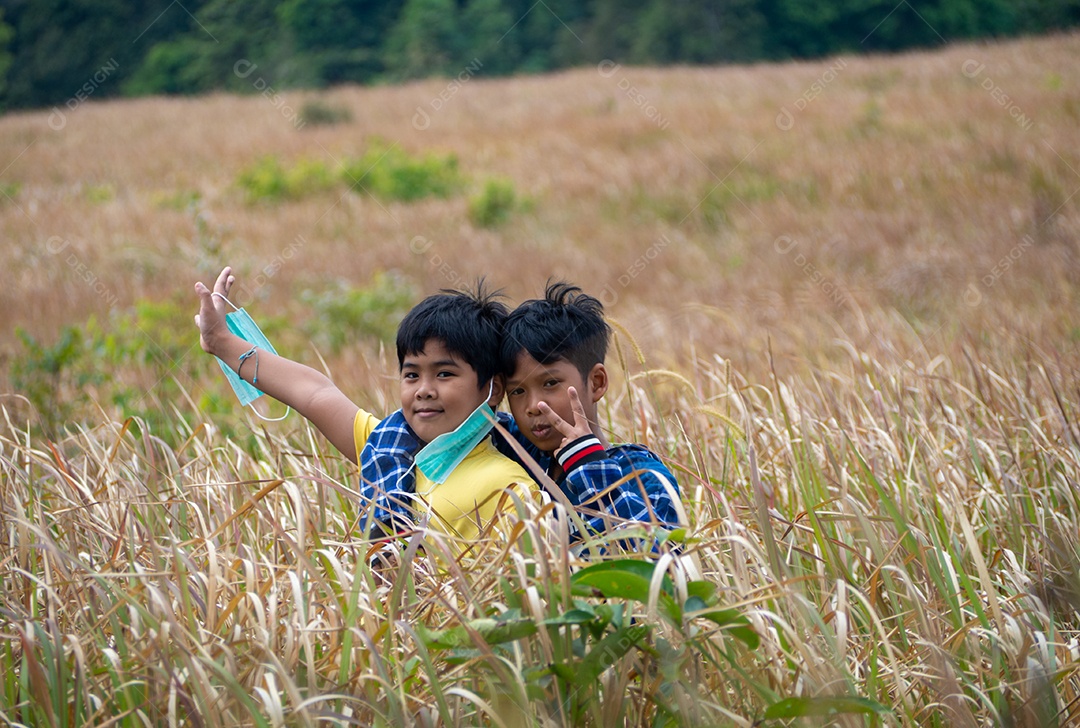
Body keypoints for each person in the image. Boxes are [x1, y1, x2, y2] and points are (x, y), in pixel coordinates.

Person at [194, 266, 534, 544]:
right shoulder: (388, 449)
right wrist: (222, 341)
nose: (424, 390)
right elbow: (314, 394)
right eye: (411, 375)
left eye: (445, 374)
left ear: (492, 389)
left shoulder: (512, 488)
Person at [496, 281, 682, 543]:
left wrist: (586, 463)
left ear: (596, 382)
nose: (533, 406)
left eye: (550, 383)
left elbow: (654, 559)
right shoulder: (519, 452)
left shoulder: (643, 474)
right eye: (517, 391)